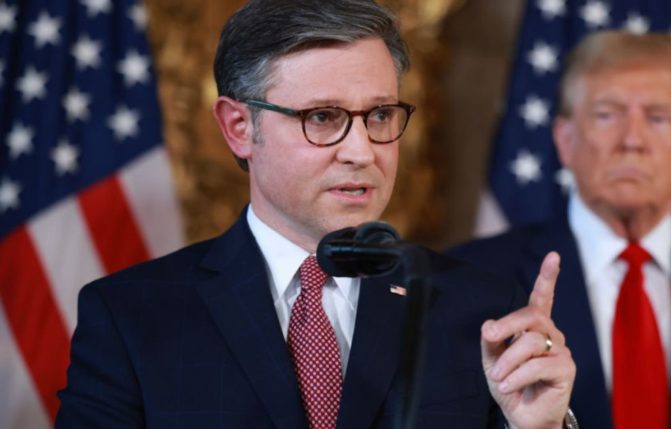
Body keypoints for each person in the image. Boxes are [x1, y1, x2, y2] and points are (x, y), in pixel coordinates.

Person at [55, 1, 578, 428]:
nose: (362, 151)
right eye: (323, 117)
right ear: (239, 126)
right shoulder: (130, 317)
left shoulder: (485, 314)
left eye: (378, 115)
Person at [451, 31, 671, 429]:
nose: (632, 140)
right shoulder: (471, 282)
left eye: (657, 118)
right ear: (564, 139)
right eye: (607, 115)